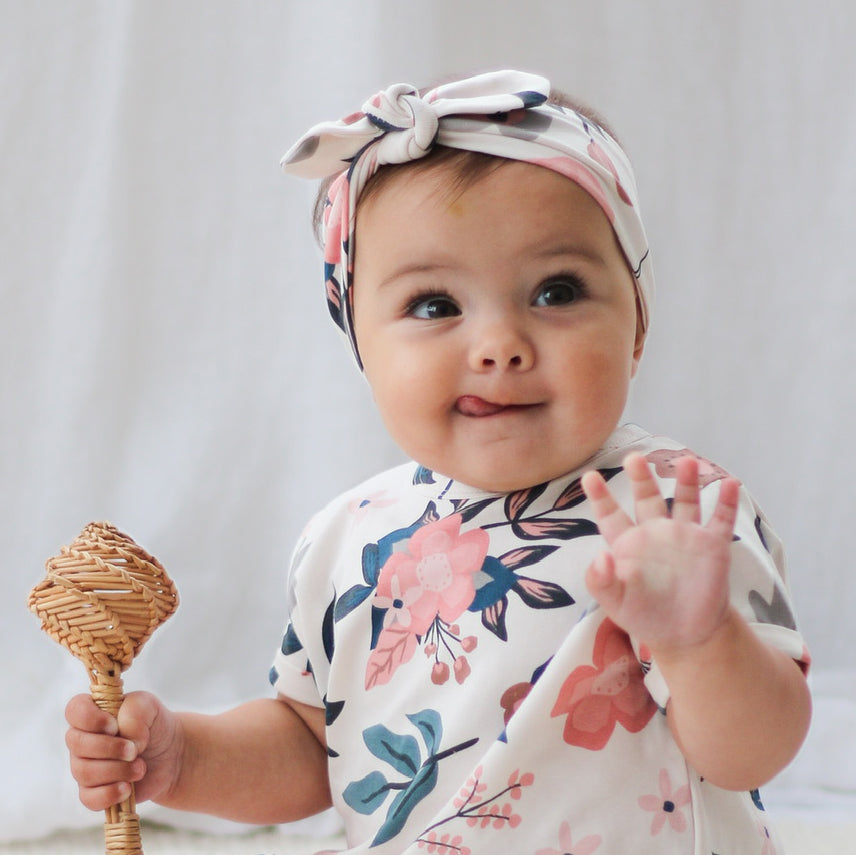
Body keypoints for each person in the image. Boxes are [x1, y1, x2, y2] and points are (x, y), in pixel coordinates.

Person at [65, 69, 811, 853]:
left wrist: (701, 641)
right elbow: (311, 744)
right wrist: (185, 757)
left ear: (637, 323)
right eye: (434, 306)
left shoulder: (673, 514)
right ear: (363, 347)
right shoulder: (348, 538)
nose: (499, 346)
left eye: (556, 291)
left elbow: (754, 750)